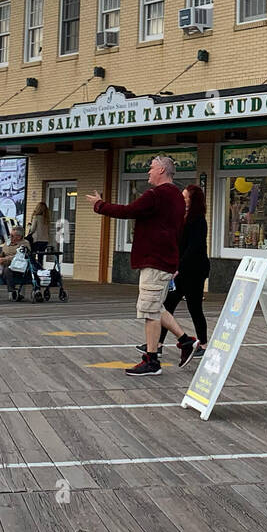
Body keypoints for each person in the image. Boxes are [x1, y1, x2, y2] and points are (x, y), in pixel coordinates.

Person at [86, 153, 196, 376]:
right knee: (155, 306)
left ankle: (152, 360)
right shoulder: (175, 196)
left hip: (155, 260)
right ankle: (185, 342)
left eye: (152, 167)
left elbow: (128, 211)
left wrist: (100, 205)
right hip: (164, 260)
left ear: (162, 171)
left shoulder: (157, 195)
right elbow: (176, 231)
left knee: (149, 311)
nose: (148, 171)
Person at [158, 184, 209, 358]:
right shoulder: (182, 217)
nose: (182, 199)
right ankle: (157, 343)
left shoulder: (199, 220)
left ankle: (203, 344)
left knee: (194, 307)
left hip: (194, 271)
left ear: (193, 201)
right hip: (181, 269)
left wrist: (178, 267)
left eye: (185, 197)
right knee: (167, 306)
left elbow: (194, 248)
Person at [0, 228, 32, 301]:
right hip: (6, 264)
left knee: (7, 271)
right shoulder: (8, 242)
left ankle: (12, 291)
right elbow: (4, 253)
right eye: (10, 235)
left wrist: (5, 259)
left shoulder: (24, 243)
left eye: (12, 235)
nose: (10, 237)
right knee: (5, 270)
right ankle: (13, 291)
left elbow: (20, 256)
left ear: (18, 237)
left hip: (19, 266)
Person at [27, 200, 51, 270]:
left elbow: (32, 229)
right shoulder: (47, 219)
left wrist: (29, 226)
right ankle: (40, 269)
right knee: (41, 256)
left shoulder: (36, 217)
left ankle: (34, 269)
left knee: (32, 255)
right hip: (45, 240)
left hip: (37, 240)